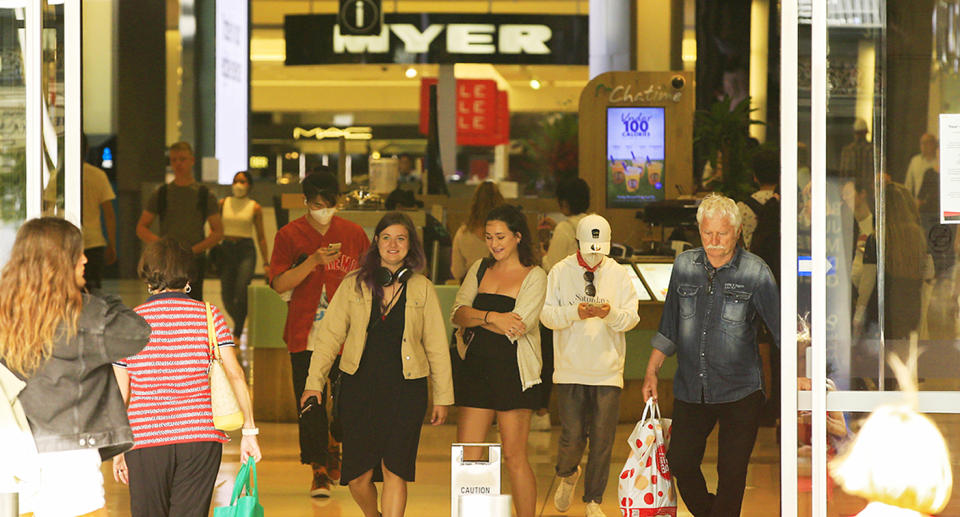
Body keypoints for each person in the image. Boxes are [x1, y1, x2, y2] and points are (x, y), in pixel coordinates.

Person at [300, 212, 453, 517]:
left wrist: (443, 396)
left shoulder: (422, 287)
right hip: (360, 391)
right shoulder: (353, 284)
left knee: (396, 468)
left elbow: (437, 345)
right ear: (376, 243)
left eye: (401, 238)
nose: (393, 244)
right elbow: (328, 338)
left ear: (411, 246)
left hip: (407, 390)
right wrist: (313, 384)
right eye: (386, 237)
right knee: (358, 478)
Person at [0, 217, 150, 517]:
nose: (84, 258)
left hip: (15, 453)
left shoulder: (7, 311)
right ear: (58, 261)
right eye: (77, 252)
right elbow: (138, 333)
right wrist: (97, 297)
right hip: (71, 459)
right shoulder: (82, 315)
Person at [641, 193, 779, 517]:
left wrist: (799, 371)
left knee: (732, 475)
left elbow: (781, 330)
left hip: (741, 389)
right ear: (699, 229)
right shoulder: (684, 266)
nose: (714, 242)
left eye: (722, 234)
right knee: (680, 461)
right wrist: (651, 371)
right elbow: (669, 326)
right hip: (693, 387)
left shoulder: (755, 272)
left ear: (738, 230)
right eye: (707, 233)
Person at [111, 238, 262, 517]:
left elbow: (120, 392)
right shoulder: (209, 317)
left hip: (145, 439)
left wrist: (117, 447)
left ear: (148, 274)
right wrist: (249, 432)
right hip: (200, 439)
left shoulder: (127, 324)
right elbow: (236, 375)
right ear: (187, 275)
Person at [269, 169, 370, 497]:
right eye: (315, 204)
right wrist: (311, 262)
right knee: (310, 404)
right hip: (304, 334)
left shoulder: (353, 234)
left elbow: (371, 282)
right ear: (306, 202)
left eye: (328, 204)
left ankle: (334, 448)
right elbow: (278, 283)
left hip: (347, 337)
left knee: (344, 406)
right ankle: (319, 470)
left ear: (338, 202)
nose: (322, 210)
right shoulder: (289, 235)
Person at [540, 214, 640, 517]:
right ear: (578, 244)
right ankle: (568, 473)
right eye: (589, 248)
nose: (595, 254)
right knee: (571, 436)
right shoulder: (559, 272)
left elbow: (631, 318)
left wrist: (609, 313)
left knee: (602, 439)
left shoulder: (619, 274)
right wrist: (574, 313)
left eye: (600, 248)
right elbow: (546, 316)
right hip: (570, 367)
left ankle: (593, 499)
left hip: (608, 371)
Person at [452, 204, 547, 517]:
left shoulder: (535, 275)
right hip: (475, 368)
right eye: (489, 237)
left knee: (514, 457)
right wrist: (493, 316)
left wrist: (478, 318)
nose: (494, 243)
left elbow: (519, 325)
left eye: (501, 237)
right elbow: (458, 314)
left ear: (518, 236)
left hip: (514, 373)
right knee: (469, 455)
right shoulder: (479, 267)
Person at [136, 141, 223, 301]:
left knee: (194, 300)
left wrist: (194, 249)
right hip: (167, 261)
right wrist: (163, 246)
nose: (178, 164)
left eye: (182, 159)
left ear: (192, 160)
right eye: (174, 160)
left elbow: (218, 232)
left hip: (194, 259)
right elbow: (141, 227)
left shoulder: (204, 194)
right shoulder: (162, 193)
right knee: (165, 300)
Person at [854, 183, 930, 342]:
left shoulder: (877, 239)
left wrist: (858, 317)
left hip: (882, 315)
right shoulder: (919, 239)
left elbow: (867, 286)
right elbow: (930, 274)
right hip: (912, 311)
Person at [218, 170, 270, 339]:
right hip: (226, 249)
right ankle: (241, 320)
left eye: (242, 181)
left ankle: (237, 334)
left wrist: (266, 263)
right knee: (226, 296)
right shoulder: (223, 203)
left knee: (241, 292)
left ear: (249, 185)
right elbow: (215, 229)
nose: (238, 185)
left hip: (245, 250)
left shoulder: (254, 207)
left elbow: (261, 237)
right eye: (235, 181)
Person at [81, 134, 117, 290]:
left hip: (68, 243)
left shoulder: (60, 176)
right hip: (94, 243)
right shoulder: (98, 175)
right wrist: (112, 244)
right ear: (87, 149)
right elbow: (109, 214)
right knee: (94, 291)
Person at [451, 181, 504, 282]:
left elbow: (457, 272)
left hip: (473, 291)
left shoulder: (463, 233)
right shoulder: (508, 233)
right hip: (503, 289)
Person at [541, 177, 591, 272]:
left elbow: (552, 268)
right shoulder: (595, 223)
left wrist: (543, 255)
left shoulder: (564, 228)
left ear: (564, 203)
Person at [737, 148, 779, 250]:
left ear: (755, 177)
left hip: (754, 263)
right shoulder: (789, 203)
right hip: (782, 263)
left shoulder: (742, 207)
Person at [839, 118, 875, 184]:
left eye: (860, 133)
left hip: (867, 188)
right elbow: (842, 174)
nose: (859, 136)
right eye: (858, 133)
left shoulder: (872, 150)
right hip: (851, 188)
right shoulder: (847, 151)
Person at [903, 133, 939, 198]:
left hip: (934, 203)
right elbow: (908, 184)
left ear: (934, 144)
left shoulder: (940, 161)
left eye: (927, 142)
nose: (924, 145)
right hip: (918, 203)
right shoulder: (915, 161)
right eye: (922, 143)